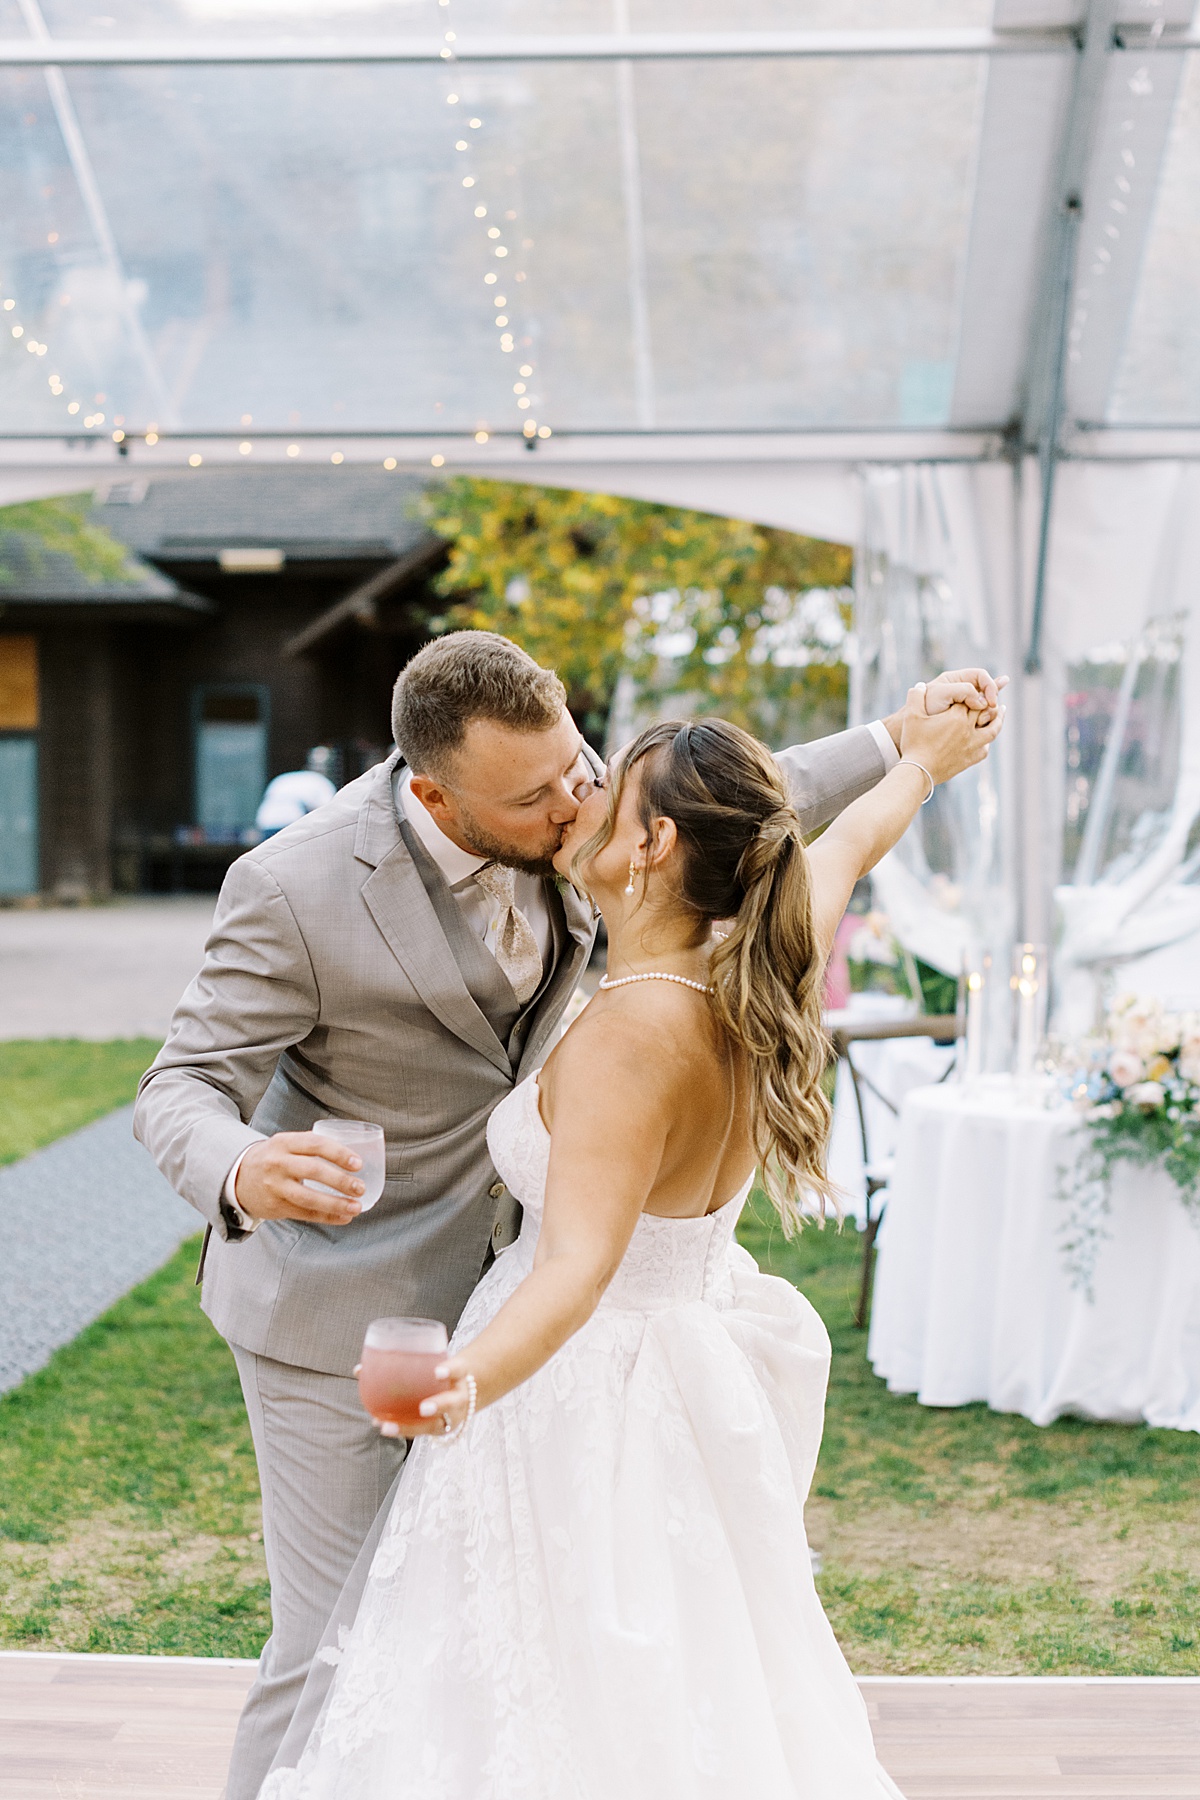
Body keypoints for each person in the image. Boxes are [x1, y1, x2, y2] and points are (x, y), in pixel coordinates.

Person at [133, 631, 1002, 1800]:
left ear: (651, 846)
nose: (572, 803)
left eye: (585, 771)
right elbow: (179, 1082)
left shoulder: (629, 952)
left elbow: (741, 805)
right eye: (536, 796)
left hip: (550, 1352)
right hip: (348, 1313)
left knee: (520, 1671)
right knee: (336, 1651)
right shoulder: (296, 886)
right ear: (437, 793)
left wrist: (904, 740)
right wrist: (244, 1168)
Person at [254, 748, 339, 837]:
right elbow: (328, 813)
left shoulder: (283, 778)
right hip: (290, 824)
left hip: (266, 824)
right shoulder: (321, 782)